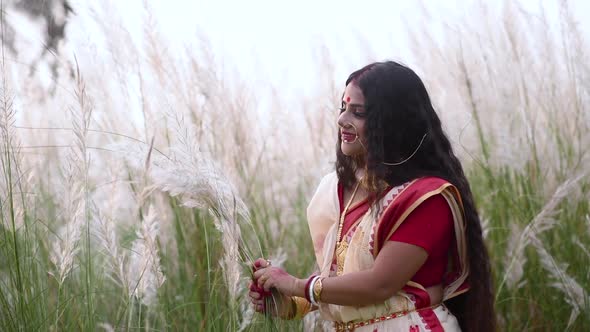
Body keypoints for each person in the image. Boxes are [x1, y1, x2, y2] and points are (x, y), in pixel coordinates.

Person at [250, 61, 495, 331]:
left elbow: (380, 284)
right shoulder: (338, 190)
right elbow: (339, 278)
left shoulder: (426, 199)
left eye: (358, 112)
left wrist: (298, 285)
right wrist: (288, 301)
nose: (342, 120)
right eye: (343, 108)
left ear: (392, 122)